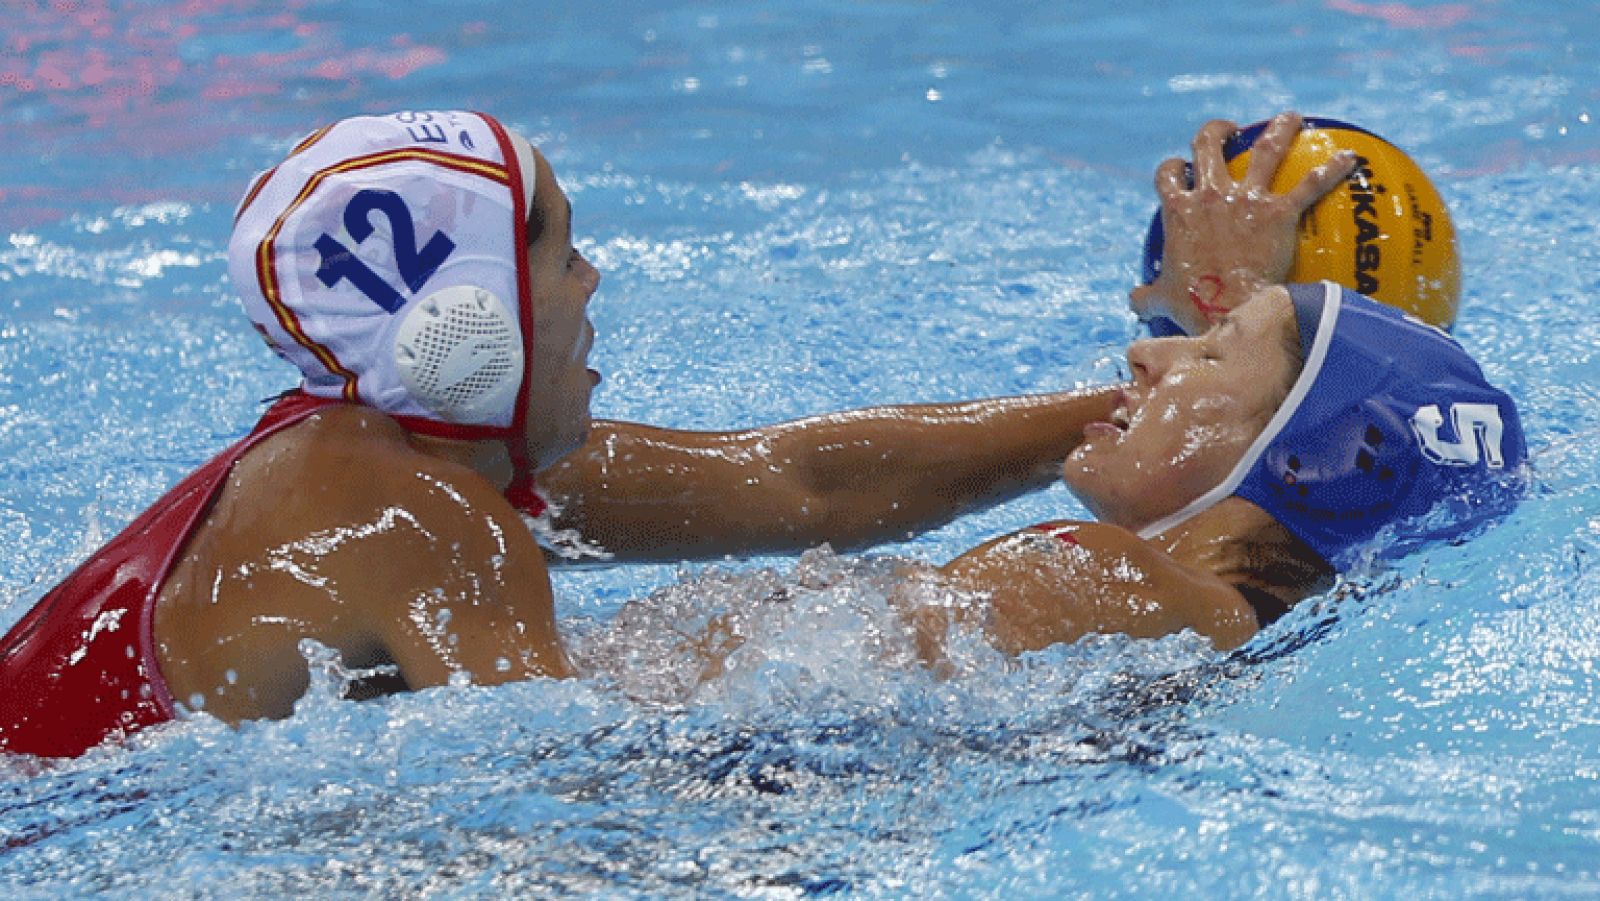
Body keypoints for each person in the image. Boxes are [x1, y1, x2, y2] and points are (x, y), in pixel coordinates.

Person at [0, 109, 1353, 759]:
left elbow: (804, 482)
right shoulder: (416, 518)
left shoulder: (407, 459)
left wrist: (1200, 359)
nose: (594, 285)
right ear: (464, 315)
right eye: (563, 253)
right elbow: (566, 798)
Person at [891, 280, 1526, 665]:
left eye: (1210, 349)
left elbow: (830, 653)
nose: (1144, 353)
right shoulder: (1263, 645)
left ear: (1307, 465)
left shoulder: (1101, 573)